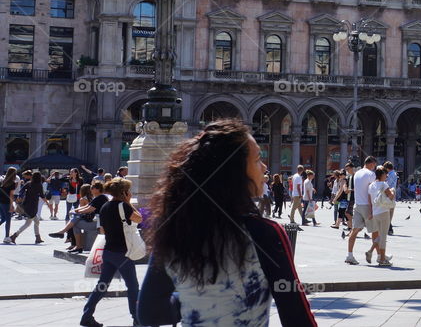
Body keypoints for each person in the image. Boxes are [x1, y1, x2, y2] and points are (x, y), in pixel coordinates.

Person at [138, 119, 315, 326]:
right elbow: (296, 314)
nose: (264, 167)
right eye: (258, 159)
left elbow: (150, 312)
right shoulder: (264, 233)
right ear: (235, 172)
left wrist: (191, 299)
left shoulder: (174, 228)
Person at [80, 178, 142, 327]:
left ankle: (87, 316)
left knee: (102, 285)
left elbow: (104, 229)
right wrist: (128, 202)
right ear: (124, 192)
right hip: (122, 253)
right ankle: (137, 318)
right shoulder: (124, 207)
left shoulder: (105, 206)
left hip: (108, 251)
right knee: (133, 286)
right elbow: (139, 219)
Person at [345, 156, 377, 265]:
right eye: (374, 165)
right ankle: (380, 256)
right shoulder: (371, 174)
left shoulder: (356, 173)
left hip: (357, 205)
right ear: (371, 164)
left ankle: (349, 255)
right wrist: (373, 208)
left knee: (354, 231)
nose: (374, 168)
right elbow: (372, 192)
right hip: (367, 206)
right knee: (375, 232)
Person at [7, 171, 50, 244]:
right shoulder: (39, 185)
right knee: (28, 223)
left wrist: (20, 197)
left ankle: (37, 237)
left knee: (36, 221)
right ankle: (14, 236)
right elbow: (42, 195)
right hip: (33, 205)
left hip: (27, 205)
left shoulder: (29, 183)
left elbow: (21, 190)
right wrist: (47, 203)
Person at [365, 166, 394, 266]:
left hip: (375, 212)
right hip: (384, 211)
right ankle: (382, 259)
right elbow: (390, 196)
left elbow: (370, 201)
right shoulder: (384, 184)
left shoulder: (371, 185)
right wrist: (393, 192)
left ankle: (371, 251)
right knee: (383, 236)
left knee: (380, 235)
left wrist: (371, 212)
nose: (386, 176)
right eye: (385, 174)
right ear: (382, 175)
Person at [1, 168, 16, 242]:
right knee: (8, 220)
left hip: (0, 202)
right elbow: (11, 195)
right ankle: (7, 237)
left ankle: (7, 236)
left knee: (3, 218)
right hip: (6, 203)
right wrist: (11, 205)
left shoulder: (2, 181)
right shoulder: (12, 183)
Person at [385, 161, 398, 235]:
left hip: (389, 193)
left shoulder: (391, 174)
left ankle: (389, 228)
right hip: (391, 193)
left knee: (388, 211)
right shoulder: (393, 173)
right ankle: (389, 227)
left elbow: (388, 184)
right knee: (389, 211)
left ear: (387, 168)